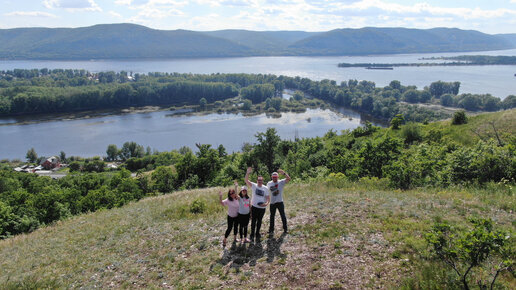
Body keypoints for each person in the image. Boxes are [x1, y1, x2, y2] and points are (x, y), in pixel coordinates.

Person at [245, 167, 270, 242]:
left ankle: (257, 233)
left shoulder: (265, 188)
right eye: (258, 180)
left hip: (262, 208)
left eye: (261, 180)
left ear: (262, 181)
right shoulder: (254, 185)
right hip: (254, 207)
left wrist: (266, 204)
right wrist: (247, 173)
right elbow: (246, 180)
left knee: (259, 221)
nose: (259, 181)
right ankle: (252, 234)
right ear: (257, 181)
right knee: (253, 221)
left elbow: (268, 198)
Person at [267, 169, 291, 234]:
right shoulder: (269, 183)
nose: (274, 178)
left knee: (283, 215)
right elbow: (266, 192)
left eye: (276, 177)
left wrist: (284, 173)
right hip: (272, 203)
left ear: (278, 177)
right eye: (273, 177)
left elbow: (289, 179)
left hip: (280, 202)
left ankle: (285, 229)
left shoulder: (281, 182)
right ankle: (271, 230)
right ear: (272, 177)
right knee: (272, 216)